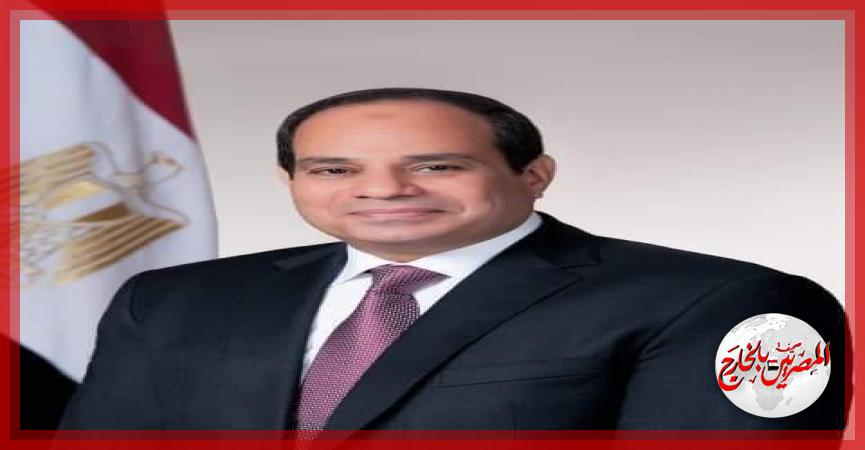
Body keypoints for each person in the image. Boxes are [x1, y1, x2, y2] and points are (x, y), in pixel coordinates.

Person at [59, 88, 848, 433]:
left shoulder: (737, 303)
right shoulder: (172, 299)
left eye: (435, 166)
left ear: (533, 174)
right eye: (333, 169)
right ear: (288, 180)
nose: (382, 190)